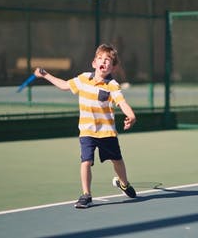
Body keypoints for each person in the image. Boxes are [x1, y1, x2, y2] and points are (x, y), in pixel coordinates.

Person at [34, 44, 137, 209]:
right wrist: (45, 74)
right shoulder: (82, 79)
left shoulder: (112, 85)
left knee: (117, 160)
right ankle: (86, 195)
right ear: (94, 63)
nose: (104, 62)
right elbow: (64, 85)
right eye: (100, 59)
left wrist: (131, 115)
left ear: (114, 67)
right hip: (87, 131)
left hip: (107, 132)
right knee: (86, 162)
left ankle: (123, 183)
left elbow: (122, 103)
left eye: (108, 60)